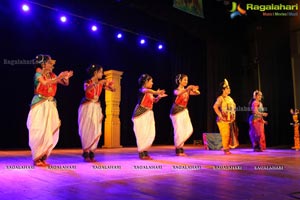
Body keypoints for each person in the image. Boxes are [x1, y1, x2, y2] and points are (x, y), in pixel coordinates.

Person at [26, 54, 73, 167]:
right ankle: (37, 157)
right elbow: (45, 83)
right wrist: (59, 77)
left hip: (51, 104)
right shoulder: (38, 74)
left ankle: (43, 156)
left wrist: (66, 77)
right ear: (43, 64)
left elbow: (65, 84)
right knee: (39, 129)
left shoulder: (52, 74)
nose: (52, 65)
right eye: (49, 63)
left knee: (50, 129)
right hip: (40, 104)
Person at [78, 64, 115, 162]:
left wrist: (111, 86)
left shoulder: (101, 83)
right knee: (86, 129)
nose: (102, 74)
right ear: (95, 73)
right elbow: (87, 89)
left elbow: (112, 90)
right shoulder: (87, 82)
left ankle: (92, 152)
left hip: (96, 107)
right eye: (101, 72)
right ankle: (86, 152)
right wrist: (98, 83)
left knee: (96, 129)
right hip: (87, 106)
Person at [132, 74, 167, 160]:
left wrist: (158, 97)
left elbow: (153, 101)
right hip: (141, 114)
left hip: (148, 114)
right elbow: (147, 91)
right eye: (151, 81)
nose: (152, 83)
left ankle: (145, 152)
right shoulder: (142, 90)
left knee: (150, 133)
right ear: (145, 82)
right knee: (142, 134)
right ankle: (142, 153)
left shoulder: (149, 92)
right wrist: (156, 92)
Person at [170, 74, 200, 156]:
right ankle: (179, 149)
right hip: (176, 111)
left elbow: (198, 93)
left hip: (184, 111)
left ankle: (179, 146)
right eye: (184, 80)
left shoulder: (187, 91)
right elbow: (178, 93)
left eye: (187, 80)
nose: (186, 81)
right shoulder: (176, 90)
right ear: (179, 81)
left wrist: (193, 89)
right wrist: (188, 89)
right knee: (179, 130)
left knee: (188, 129)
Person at [213, 79, 238, 155]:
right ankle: (226, 149)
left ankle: (226, 147)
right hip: (222, 120)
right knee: (225, 134)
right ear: (223, 89)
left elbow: (233, 108)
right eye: (227, 88)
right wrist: (220, 115)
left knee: (230, 134)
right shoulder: (220, 98)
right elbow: (215, 107)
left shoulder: (230, 98)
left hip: (229, 119)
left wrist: (234, 116)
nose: (229, 89)